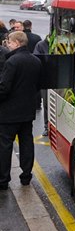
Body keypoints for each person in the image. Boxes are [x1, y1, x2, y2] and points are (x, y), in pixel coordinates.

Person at [0, 31, 43, 190]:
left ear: (17, 43)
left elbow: (4, 88)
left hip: (9, 113)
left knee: (5, 146)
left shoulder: (12, 62)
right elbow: (38, 85)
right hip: (27, 112)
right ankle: (26, 176)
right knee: (26, 144)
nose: (7, 45)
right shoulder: (35, 61)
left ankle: (3, 180)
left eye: (9, 42)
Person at [34, 35, 50, 136]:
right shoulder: (41, 45)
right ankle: (46, 126)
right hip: (46, 79)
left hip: (59, 78)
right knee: (46, 104)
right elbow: (37, 59)